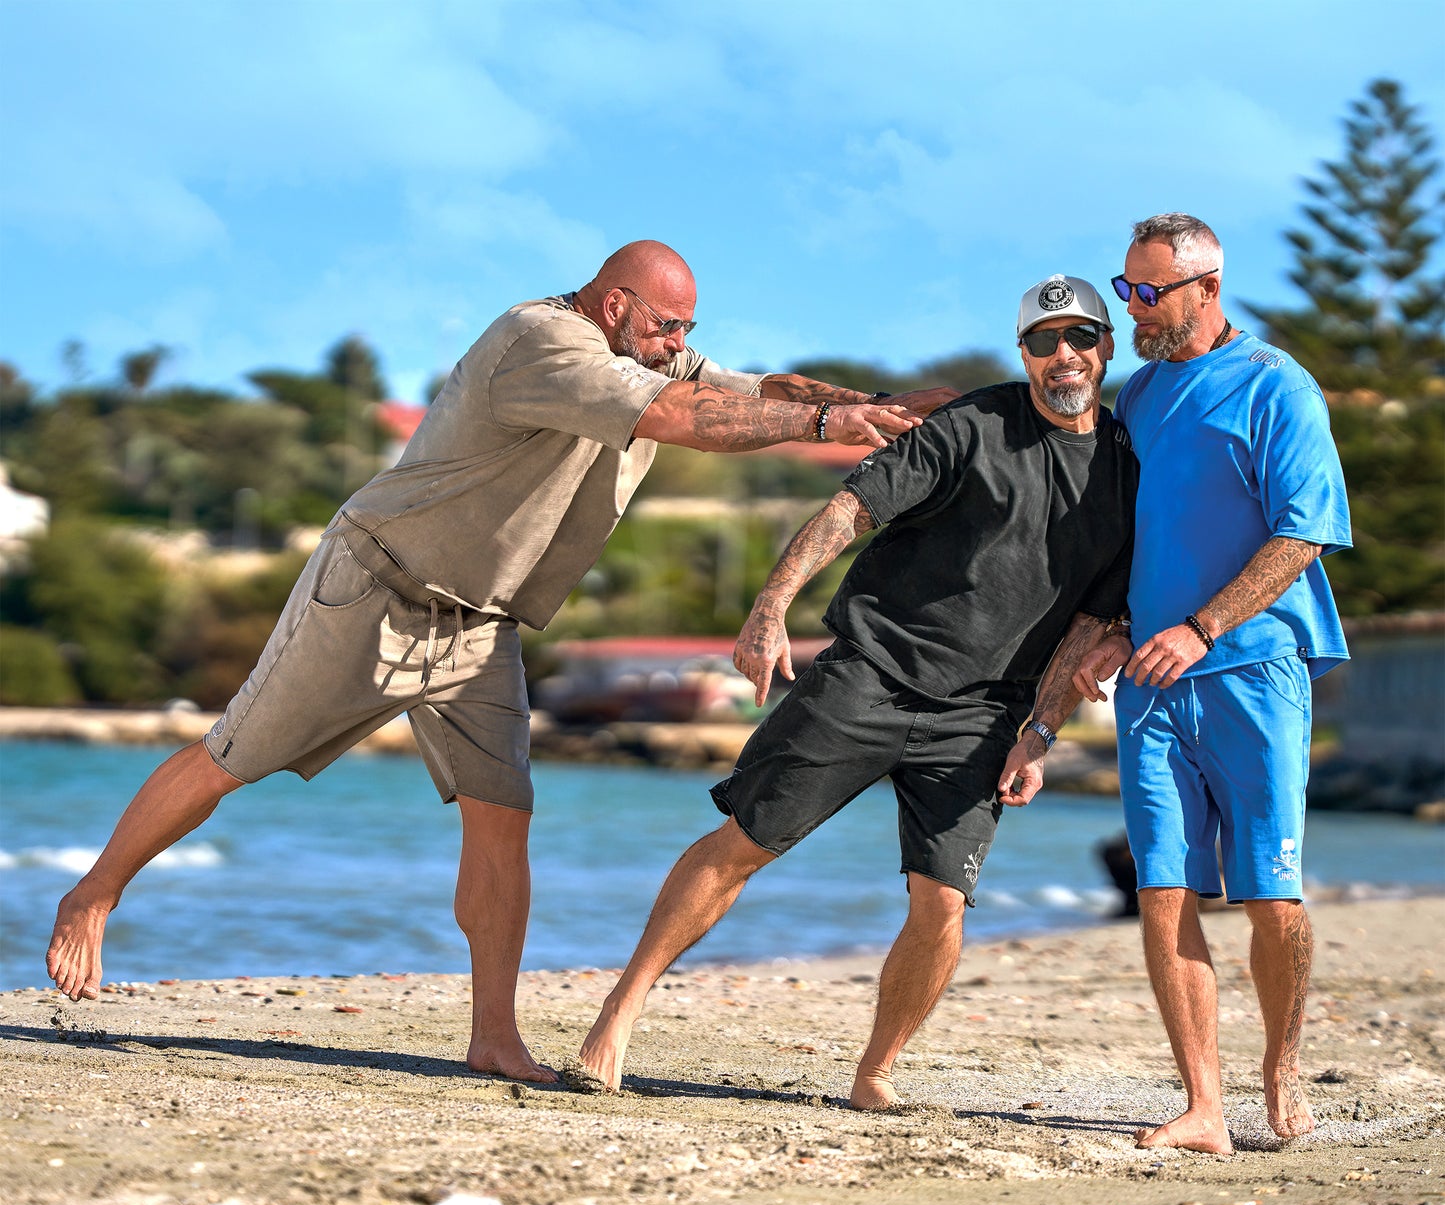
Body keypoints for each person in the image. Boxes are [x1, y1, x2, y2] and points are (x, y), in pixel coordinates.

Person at [45, 240, 952, 1083]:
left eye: (689, 330)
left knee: (501, 815)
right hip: (377, 591)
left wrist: (888, 411)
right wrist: (831, 420)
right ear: (613, 304)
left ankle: (492, 1036)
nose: (680, 345)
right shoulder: (540, 344)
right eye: (665, 325)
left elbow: (759, 388)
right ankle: (95, 893)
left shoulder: (650, 350)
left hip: (482, 624)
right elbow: (685, 416)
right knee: (231, 757)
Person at [573, 273, 1138, 1110]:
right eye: (1043, 340)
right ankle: (616, 1015)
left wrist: (1041, 732)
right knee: (744, 842)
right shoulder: (970, 425)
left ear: (1105, 348)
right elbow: (851, 508)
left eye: (1081, 337)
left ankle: (875, 1069)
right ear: (1022, 352)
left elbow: (1091, 623)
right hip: (870, 673)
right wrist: (769, 608)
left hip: (984, 713)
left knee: (943, 899)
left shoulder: (1125, 473)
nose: (1064, 355)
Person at [1067, 213, 1352, 1155]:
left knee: (1270, 895)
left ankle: (1278, 1069)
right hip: (1150, 677)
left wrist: (1202, 627)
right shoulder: (1139, 396)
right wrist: (1116, 631)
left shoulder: (1278, 386)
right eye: (1126, 290)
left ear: (1206, 287)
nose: (1133, 310)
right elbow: (1127, 537)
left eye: (1148, 292)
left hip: (1253, 670)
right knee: (1162, 888)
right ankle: (1201, 1104)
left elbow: (1301, 532)